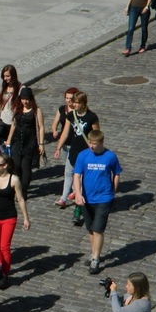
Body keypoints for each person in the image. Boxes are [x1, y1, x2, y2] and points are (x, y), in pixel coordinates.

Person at [73, 130, 122, 275]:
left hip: (104, 198)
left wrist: (113, 191)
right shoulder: (83, 155)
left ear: (101, 143)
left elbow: (116, 173)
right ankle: (94, 252)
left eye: (94, 144)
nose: (91, 146)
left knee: (98, 229)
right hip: (87, 198)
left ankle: (96, 259)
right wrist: (78, 193)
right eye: (90, 143)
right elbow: (77, 176)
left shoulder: (110, 156)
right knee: (90, 228)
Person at [0, 154, 30, 289]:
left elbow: (20, 199)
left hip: (9, 217)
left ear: (5, 166)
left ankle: (5, 274)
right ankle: (0, 266)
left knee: (5, 246)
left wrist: (26, 218)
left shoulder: (14, 180)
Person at [56, 91, 100, 227]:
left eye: (76, 102)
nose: (73, 104)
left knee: (82, 181)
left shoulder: (91, 117)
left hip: (86, 152)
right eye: (73, 102)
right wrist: (58, 147)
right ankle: (75, 202)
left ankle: (77, 209)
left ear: (83, 103)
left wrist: (96, 150)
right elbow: (66, 132)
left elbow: (96, 134)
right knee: (71, 176)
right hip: (74, 152)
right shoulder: (71, 115)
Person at [5, 86, 45, 199]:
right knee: (16, 165)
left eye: (27, 99)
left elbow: (41, 127)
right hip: (17, 141)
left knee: (26, 167)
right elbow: (14, 124)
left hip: (29, 142)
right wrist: (8, 139)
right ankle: (17, 188)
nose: (25, 101)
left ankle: (23, 191)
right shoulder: (17, 109)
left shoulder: (36, 111)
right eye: (23, 99)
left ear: (31, 99)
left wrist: (41, 144)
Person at [50, 87, 80, 208]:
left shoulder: (78, 111)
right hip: (64, 143)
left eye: (70, 98)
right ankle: (74, 189)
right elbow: (55, 123)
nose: (68, 101)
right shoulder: (62, 109)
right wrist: (54, 131)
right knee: (70, 168)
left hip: (75, 144)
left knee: (68, 171)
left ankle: (63, 198)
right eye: (66, 98)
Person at [0, 65, 21, 146]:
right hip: (3, 121)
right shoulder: (2, 87)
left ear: (13, 75)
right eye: (4, 76)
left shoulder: (20, 88)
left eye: (7, 76)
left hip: (14, 123)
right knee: (2, 148)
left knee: (12, 146)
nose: (5, 78)